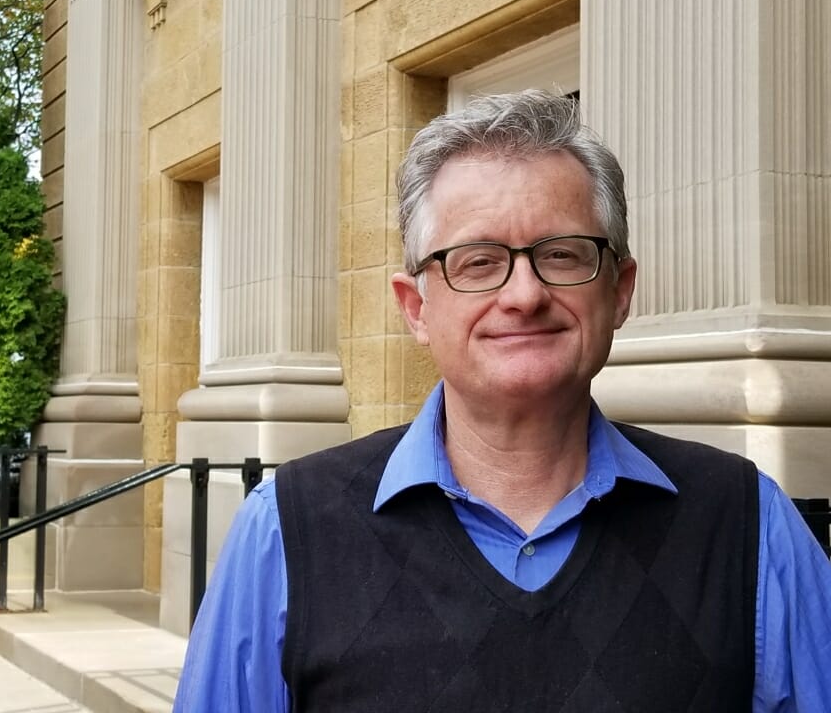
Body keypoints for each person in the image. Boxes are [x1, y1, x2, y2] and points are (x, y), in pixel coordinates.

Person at [174, 90, 831, 712]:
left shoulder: (749, 526)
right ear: (416, 308)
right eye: (478, 262)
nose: (523, 295)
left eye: (563, 254)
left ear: (620, 290)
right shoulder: (286, 534)